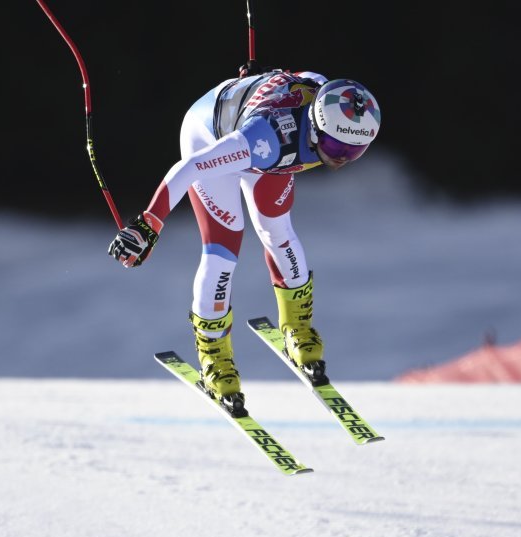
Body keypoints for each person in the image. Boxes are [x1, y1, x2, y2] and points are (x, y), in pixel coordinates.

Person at [108, 67, 381, 411]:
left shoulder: (330, 101)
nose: (339, 158)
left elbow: (298, 77)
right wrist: (149, 224)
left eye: (354, 151)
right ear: (315, 127)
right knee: (223, 249)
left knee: (278, 231)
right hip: (211, 135)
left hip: (269, 149)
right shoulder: (265, 139)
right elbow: (190, 168)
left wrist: (256, 84)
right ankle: (214, 356)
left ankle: (298, 328)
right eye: (334, 145)